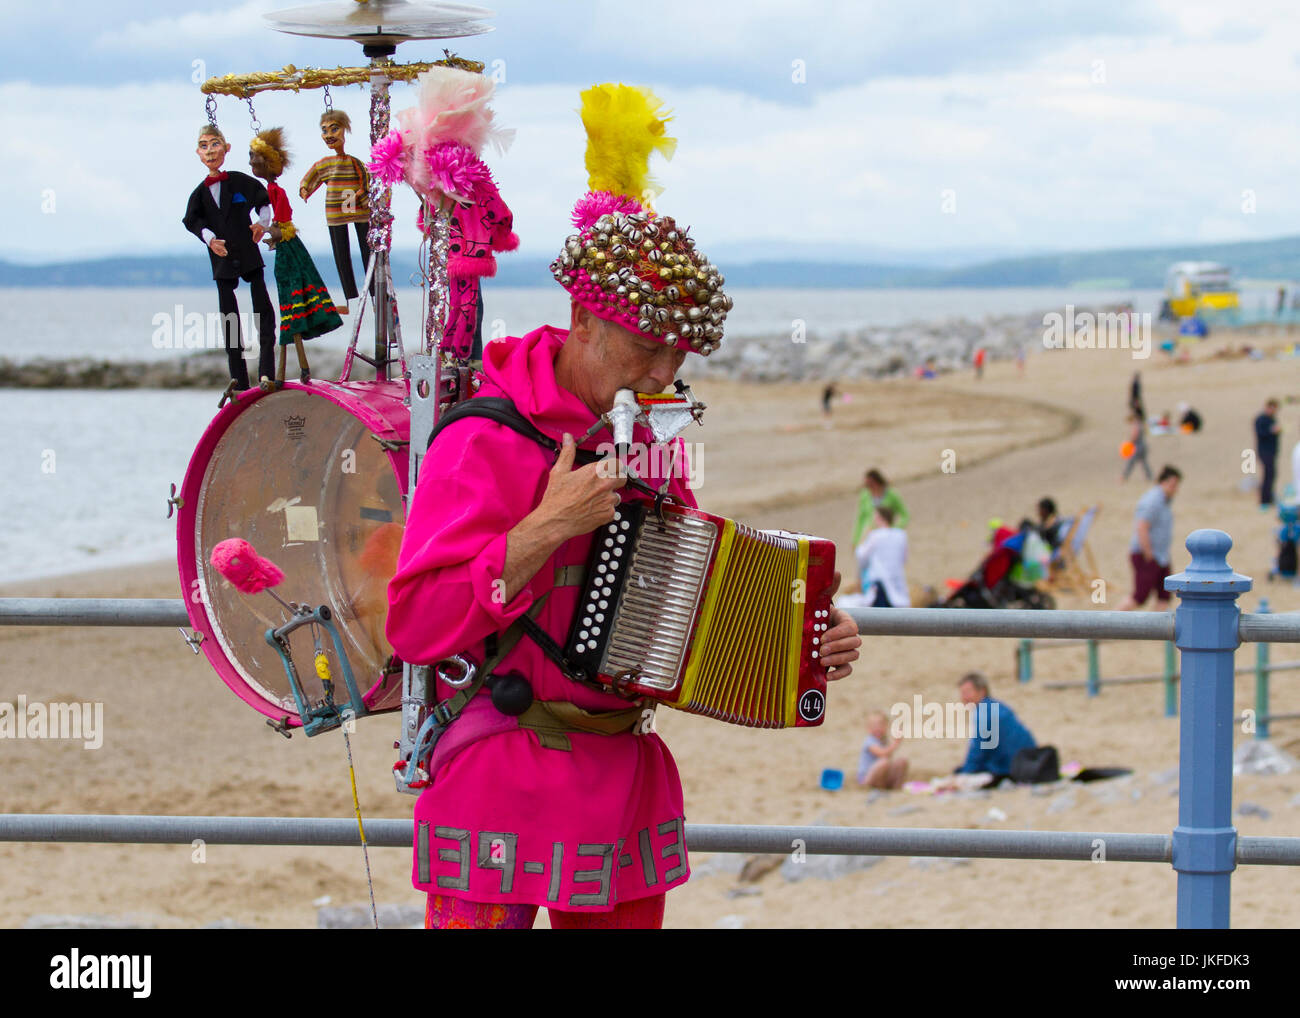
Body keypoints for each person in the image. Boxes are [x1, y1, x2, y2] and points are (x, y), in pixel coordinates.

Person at [385, 83, 862, 931]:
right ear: (581, 318)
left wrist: (802, 635)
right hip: (502, 764)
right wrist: (542, 530)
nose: (659, 376)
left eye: (675, 356)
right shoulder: (483, 438)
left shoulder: (649, 436)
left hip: (622, 780)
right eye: (645, 348)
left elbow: (691, 598)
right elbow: (416, 626)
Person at [181, 123, 277, 391]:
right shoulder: (199, 194)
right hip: (222, 259)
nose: (210, 151)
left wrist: (262, 222)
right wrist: (210, 239)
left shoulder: (239, 181)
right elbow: (192, 221)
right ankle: (239, 379)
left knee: (263, 312)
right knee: (229, 318)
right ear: (198, 152)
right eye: (204, 145)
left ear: (226, 147)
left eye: (215, 144)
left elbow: (263, 200)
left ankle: (266, 372)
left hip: (248, 252)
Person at [247, 127, 343, 387]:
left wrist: (265, 230)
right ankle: (293, 369)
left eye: (254, 157)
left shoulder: (273, 192)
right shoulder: (271, 190)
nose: (251, 162)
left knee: (291, 308)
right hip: (287, 248)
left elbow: (280, 222)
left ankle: (294, 369)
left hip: (287, 250)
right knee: (289, 310)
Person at [299, 110, 372, 304]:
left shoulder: (355, 162)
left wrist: (361, 195)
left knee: (368, 250)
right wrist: (305, 188)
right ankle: (350, 296)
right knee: (340, 252)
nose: (329, 135)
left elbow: (366, 181)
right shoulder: (325, 163)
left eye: (334, 129)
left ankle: (374, 292)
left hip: (359, 210)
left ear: (344, 130)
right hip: (335, 211)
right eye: (324, 131)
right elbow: (310, 177)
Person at [1118, 465, 1181, 611]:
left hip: (1162, 556)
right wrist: (1148, 554)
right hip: (1147, 554)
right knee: (1139, 597)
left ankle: (1158, 631)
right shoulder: (1153, 500)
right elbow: (1141, 526)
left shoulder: (1165, 500)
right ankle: (1104, 626)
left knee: (1164, 596)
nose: (1175, 489)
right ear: (1162, 482)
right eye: (1172, 485)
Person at [953, 672, 1037, 779]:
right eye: (962, 693)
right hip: (1029, 761)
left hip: (1009, 768)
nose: (964, 697)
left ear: (982, 691)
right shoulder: (999, 706)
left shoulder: (984, 712)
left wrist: (964, 774)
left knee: (962, 772)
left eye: (968, 692)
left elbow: (978, 750)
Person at [855, 505, 909, 607]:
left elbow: (861, 555)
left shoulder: (875, 535)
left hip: (880, 583)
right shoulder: (901, 535)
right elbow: (904, 558)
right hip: (897, 581)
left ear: (880, 518)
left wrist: (863, 537)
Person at [853, 468, 909, 546]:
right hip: (870, 536)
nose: (869, 488)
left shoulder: (892, 494)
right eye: (867, 485)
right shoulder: (865, 496)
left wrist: (895, 529)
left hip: (887, 537)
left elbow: (905, 515)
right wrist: (856, 539)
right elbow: (861, 519)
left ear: (877, 482)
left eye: (871, 484)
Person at [857, 710, 908, 789]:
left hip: (883, 777)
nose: (878, 728)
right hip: (867, 778)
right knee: (884, 762)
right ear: (868, 728)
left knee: (902, 761)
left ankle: (896, 788)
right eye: (874, 726)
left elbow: (889, 756)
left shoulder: (884, 740)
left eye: (881, 725)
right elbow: (882, 753)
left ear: (886, 726)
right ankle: (879, 788)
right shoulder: (869, 741)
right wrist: (895, 744)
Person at [1255, 398, 1281, 508]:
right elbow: (1261, 434)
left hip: (1272, 451)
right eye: (1272, 408)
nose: (1274, 410)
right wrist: (1272, 431)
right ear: (1268, 407)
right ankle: (1264, 501)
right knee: (1267, 475)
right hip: (1264, 452)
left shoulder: (1272, 419)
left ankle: (1269, 498)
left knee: (1272, 474)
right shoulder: (1261, 419)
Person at [1120, 410, 1152, 483]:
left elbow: (1135, 435)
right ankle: (1149, 476)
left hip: (1137, 446)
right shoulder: (1140, 424)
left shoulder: (1135, 425)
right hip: (1142, 445)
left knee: (1131, 462)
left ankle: (1124, 477)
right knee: (1144, 462)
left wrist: (1129, 442)